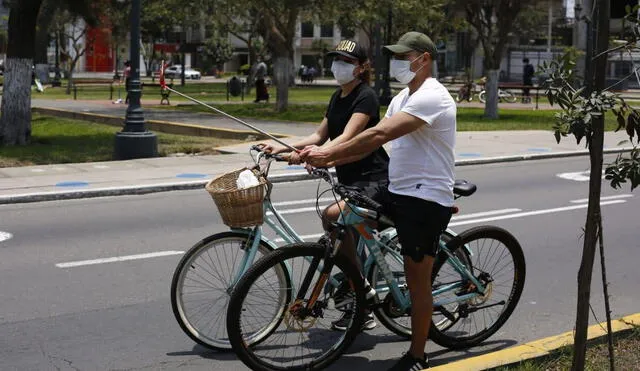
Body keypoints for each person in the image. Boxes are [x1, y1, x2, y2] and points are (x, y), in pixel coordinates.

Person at [301, 31, 456, 371]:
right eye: (397, 56)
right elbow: (370, 142)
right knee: (344, 218)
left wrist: (328, 154)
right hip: (396, 191)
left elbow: (379, 134)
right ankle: (364, 294)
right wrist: (323, 154)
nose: (399, 62)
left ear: (424, 59)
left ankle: (418, 355)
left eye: (405, 56)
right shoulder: (403, 97)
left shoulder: (433, 95)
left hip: (424, 197)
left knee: (418, 279)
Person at [261, 39, 389, 331]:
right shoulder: (337, 97)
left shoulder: (366, 96)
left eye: (346, 61)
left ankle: (360, 294)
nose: (338, 66)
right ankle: (358, 294)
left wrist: (321, 156)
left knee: (333, 217)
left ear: (362, 67)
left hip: (372, 180)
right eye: (336, 60)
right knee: (340, 235)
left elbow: (348, 138)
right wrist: (279, 148)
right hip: (348, 181)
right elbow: (318, 136)